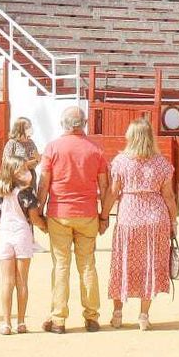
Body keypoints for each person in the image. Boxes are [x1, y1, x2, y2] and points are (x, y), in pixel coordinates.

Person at [38, 105, 112, 334]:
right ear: (85, 124)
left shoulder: (52, 148)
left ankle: (58, 319)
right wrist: (103, 216)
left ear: (63, 123)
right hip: (87, 213)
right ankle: (91, 317)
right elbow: (104, 186)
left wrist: (39, 211)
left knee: (61, 265)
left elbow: (44, 184)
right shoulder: (95, 150)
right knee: (88, 265)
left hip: (60, 213)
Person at [108, 118, 178, 331]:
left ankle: (118, 313)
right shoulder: (162, 163)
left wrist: (103, 215)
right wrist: (173, 221)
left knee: (122, 263)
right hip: (156, 217)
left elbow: (113, 192)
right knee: (150, 264)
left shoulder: (120, 162)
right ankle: (143, 316)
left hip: (129, 216)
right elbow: (169, 197)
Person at [0, 159, 43, 335]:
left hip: (4, 234)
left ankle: (6, 323)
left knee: (7, 281)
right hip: (22, 234)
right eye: (22, 170)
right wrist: (46, 226)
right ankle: (21, 322)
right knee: (22, 281)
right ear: (14, 173)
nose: (26, 173)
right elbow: (35, 218)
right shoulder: (27, 194)